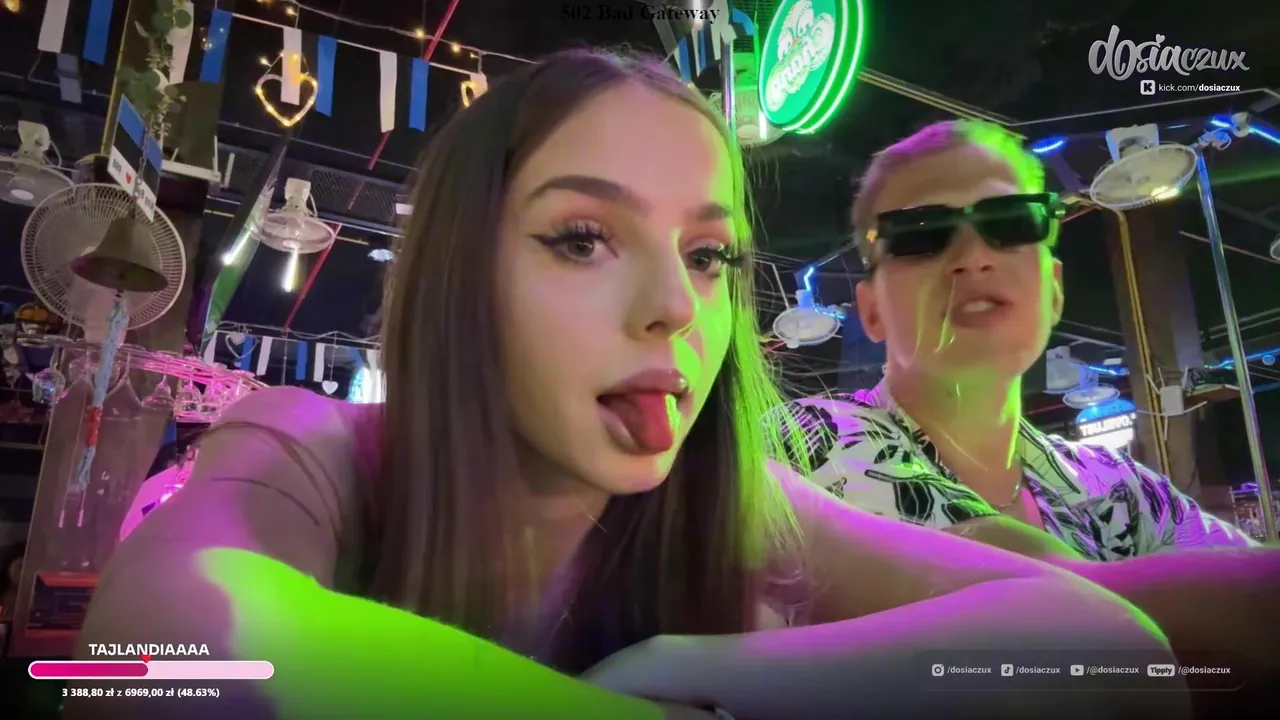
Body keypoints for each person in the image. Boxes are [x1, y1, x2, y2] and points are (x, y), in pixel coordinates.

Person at [68, 52, 1183, 720]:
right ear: (462, 271)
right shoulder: (317, 452)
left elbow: (1111, 654)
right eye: (583, 238)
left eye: (707, 256)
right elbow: (150, 655)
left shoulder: (741, 506)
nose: (676, 308)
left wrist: (695, 666)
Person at [788, 119, 1278, 705]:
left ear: (1054, 289)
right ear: (871, 311)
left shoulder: (1121, 489)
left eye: (1011, 223)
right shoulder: (805, 447)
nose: (973, 257)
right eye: (921, 233)